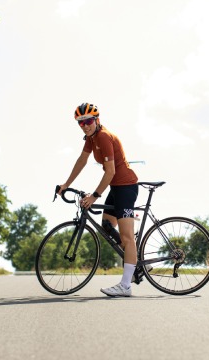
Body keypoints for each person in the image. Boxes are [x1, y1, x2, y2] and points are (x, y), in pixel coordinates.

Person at [57, 102, 139, 297]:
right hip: (115, 188)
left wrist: (94, 196)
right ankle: (133, 260)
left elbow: (110, 172)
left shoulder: (103, 137)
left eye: (89, 121)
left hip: (126, 188)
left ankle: (126, 285)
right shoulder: (91, 139)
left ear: (97, 120)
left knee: (127, 237)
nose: (85, 125)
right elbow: (81, 161)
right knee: (108, 227)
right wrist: (66, 184)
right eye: (81, 122)